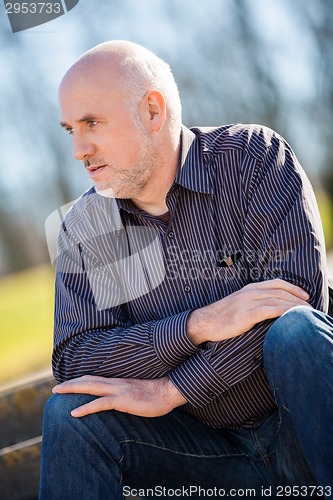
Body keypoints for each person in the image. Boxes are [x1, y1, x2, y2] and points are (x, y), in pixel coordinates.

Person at [40, 40, 333, 499]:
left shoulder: (252, 159)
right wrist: (198, 325)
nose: (79, 149)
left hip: (306, 426)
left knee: (295, 331)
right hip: (203, 459)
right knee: (72, 413)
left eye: (92, 123)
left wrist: (172, 389)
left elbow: (294, 299)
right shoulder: (88, 228)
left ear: (153, 112)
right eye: (69, 130)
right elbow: (76, 358)